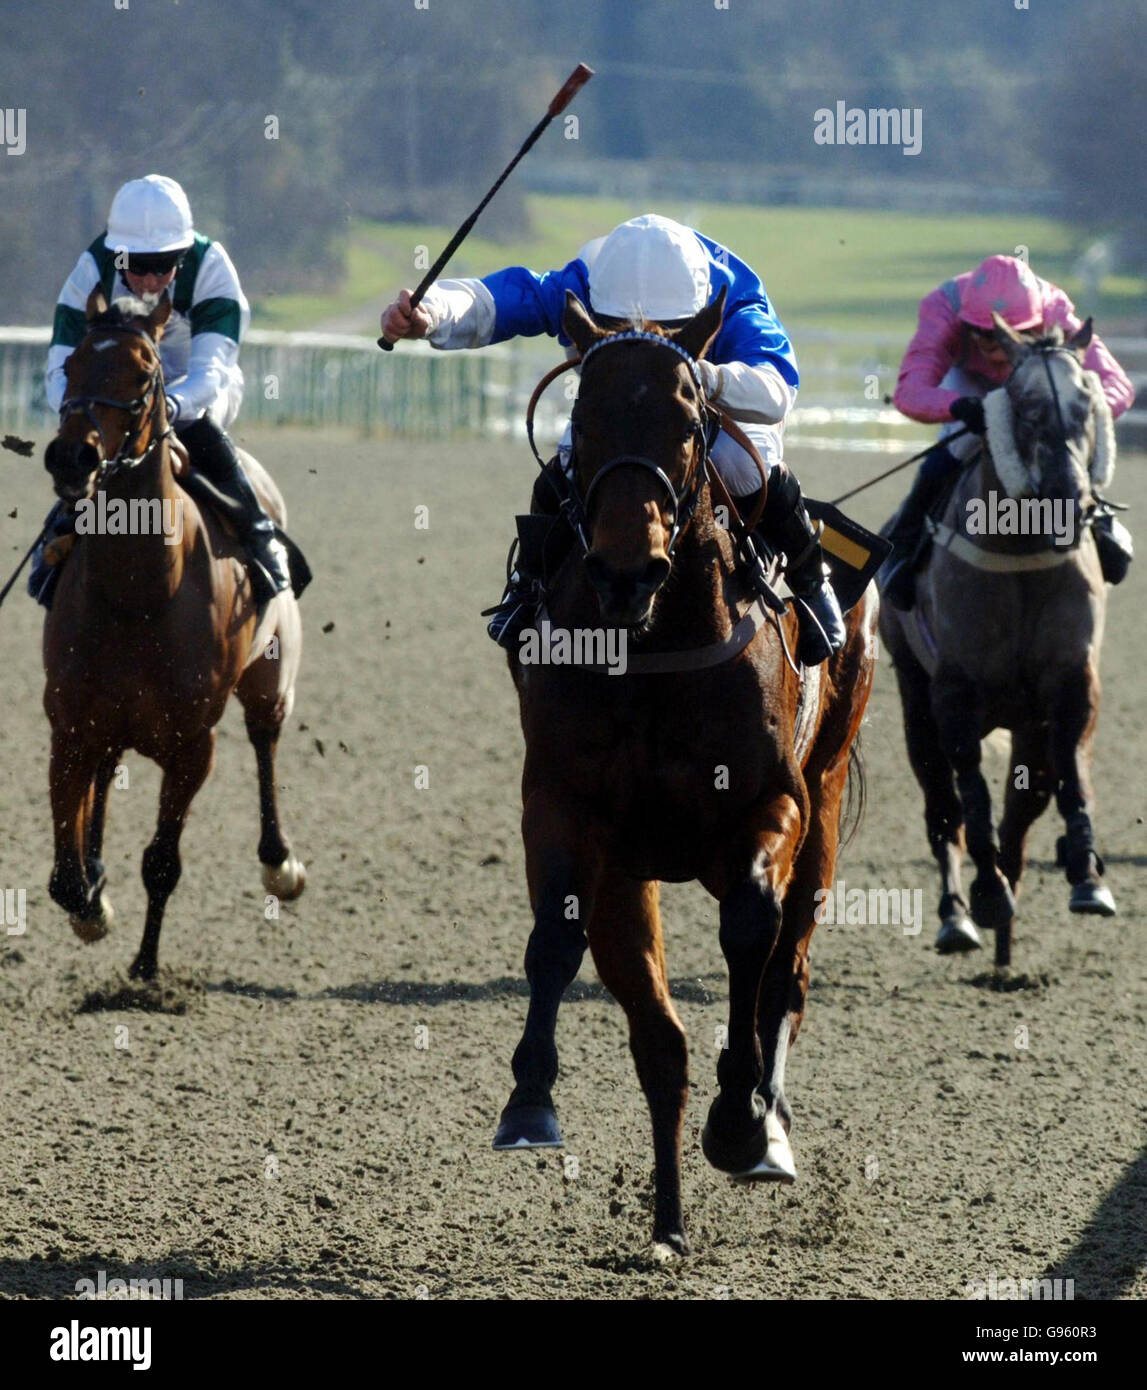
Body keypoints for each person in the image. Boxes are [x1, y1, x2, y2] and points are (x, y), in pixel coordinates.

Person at [380, 213, 845, 665]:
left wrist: (699, 378)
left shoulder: (737, 295)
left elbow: (776, 390)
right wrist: (431, 311)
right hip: (618, 412)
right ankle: (527, 586)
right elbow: (498, 300)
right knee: (567, 462)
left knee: (742, 466)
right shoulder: (587, 279)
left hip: (710, 409)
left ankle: (811, 582)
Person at [33, 173, 290, 605]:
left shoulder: (211, 267)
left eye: (164, 266)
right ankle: (60, 533)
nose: (151, 281)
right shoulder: (92, 268)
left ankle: (258, 533)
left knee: (200, 426)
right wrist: (88, 415)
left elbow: (212, 372)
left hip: (195, 392)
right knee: (88, 454)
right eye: (137, 266)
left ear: (183, 254)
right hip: (117, 395)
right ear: (118, 254)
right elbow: (59, 367)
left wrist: (166, 405)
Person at [883, 253, 1135, 609]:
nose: (991, 343)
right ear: (963, 320)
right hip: (970, 382)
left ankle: (1097, 521)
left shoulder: (1055, 311)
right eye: (980, 331)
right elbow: (909, 392)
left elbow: (1117, 386)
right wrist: (956, 406)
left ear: (1036, 319)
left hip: (1037, 390)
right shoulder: (942, 308)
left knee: (1063, 444)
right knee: (959, 444)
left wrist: (1067, 415)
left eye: (1001, 333)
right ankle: (904, 542)